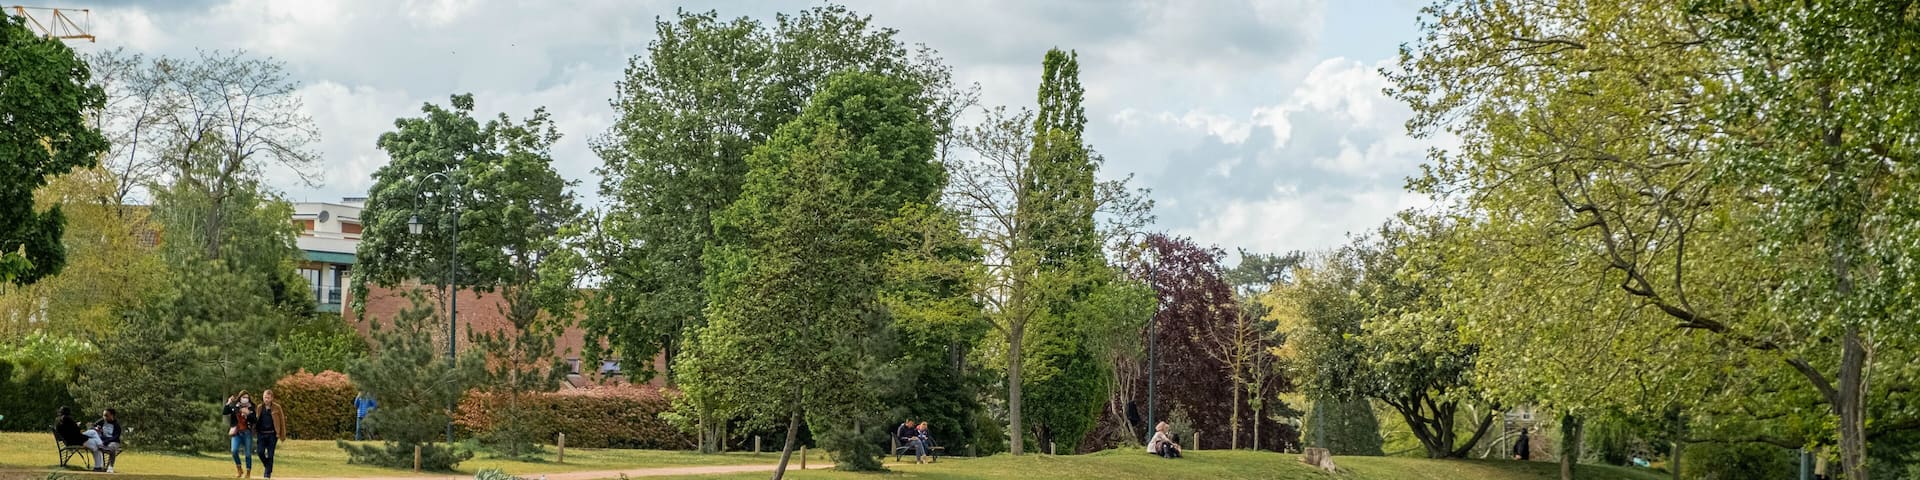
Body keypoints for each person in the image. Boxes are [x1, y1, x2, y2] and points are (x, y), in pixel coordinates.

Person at [255, 390, 288, 479]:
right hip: (261, 434)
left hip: (272, 435)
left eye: (268, 398)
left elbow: (282, 421)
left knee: (270, 454)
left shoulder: (277, 407)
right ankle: (268, 466)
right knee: (260, 452)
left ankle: (267, 474)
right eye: (265, 397)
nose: (266, 399)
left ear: (272, 398)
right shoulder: (259, 407)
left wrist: (282, 434)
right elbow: (255, 420)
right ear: (263, 397)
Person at [224, 391, 257, 478]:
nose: (245, 399)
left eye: (246, 397)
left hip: (247, 432)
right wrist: (228, 403)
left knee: (248, 454)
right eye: (243, 397)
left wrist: (248, 414)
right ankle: (239, 469)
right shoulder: (236, 406)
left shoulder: (251, 407)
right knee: (234, 451)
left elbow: (254, 420)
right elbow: (225, 411)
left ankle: (248, 472)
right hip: (237, 432)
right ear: (240, 397)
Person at [91, 409, 124, 473]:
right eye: (103, 415)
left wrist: (106, 441)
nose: (104, 417)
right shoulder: (102, 421)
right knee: (93, 445)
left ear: (112, 415)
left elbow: (116, 437)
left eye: (106, 415)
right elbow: (92, 426)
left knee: (112, 448)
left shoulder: (116, 425)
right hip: (102, 441)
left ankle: (110, 466)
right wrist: (97, 429)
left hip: (113, 441)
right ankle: (98, 467)